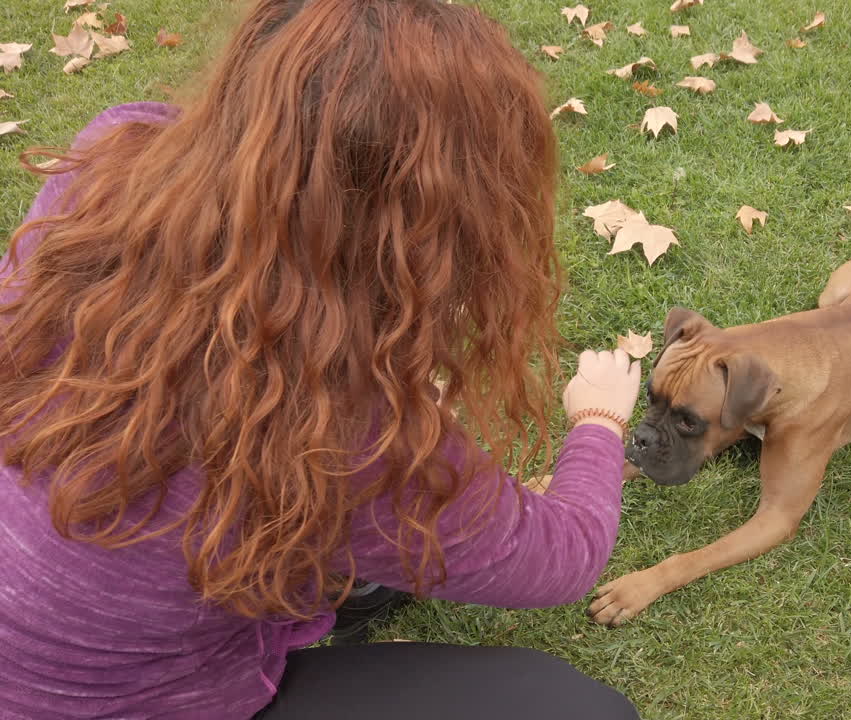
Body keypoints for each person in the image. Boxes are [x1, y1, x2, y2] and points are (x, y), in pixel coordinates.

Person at [0, 1, 642, 718]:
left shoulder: (110, 157)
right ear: (434, 216)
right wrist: (598, 419)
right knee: (575, 709)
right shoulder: (352, 434)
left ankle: (356, 579)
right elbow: (564, 556)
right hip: (116, 704)